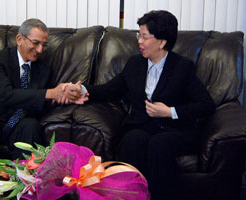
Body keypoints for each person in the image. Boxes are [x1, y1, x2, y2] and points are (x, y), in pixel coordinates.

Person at [65, 10, 216, 199]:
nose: (139, 41)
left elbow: (206, 105)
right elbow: (110, 89)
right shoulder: (135, 64)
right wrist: (83, 90)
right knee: (132, 140)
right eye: (139, 35)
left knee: (159, 145)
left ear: (162, 42)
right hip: (141, 126)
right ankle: (130, 195)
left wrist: (170, 111)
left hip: (173, 130)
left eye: (144, 37)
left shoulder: (182, 67)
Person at [0, 18, 81, 166]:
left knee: (31, 125)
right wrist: (50, 93)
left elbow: (42, 101)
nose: (40, 50)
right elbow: (5, 95)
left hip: (20, 123)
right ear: (20, 39)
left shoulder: (43, 68)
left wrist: (64, 96)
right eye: (36, 43)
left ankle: (23, 183)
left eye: (44, 45)